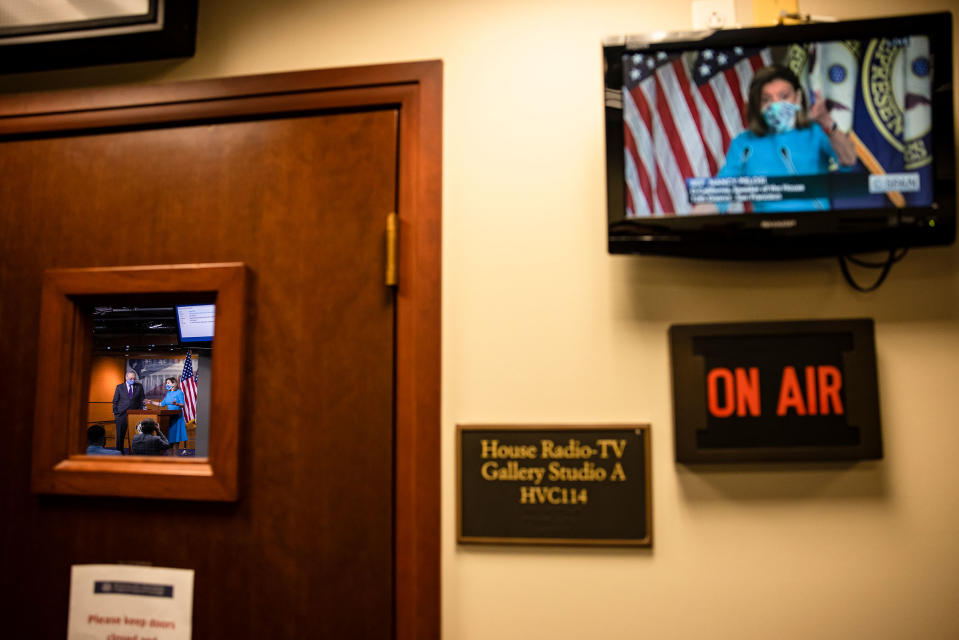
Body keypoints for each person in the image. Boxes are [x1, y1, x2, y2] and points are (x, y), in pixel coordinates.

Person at [716, 64, 857, 212]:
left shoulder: (815, 132)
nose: (776, 104)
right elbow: (719, 193)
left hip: (816, 227)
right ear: (758, 105)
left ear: (797, 98)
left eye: (784, 96)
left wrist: (827, 122)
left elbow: (848, 160)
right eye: (767, 99)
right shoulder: (743, 143)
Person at [148, 377, 188, 455]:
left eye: (168, 383)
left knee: (176, 437)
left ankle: (175, 454)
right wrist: (151, 402)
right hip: (168, 417)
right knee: (169, 436)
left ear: (174, 383)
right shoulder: (168, 393)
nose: (167, 384)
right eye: (166, 383)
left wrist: (176, 404)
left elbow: (183, 404)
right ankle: (170, 455)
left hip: (177, 417)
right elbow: (161, 404)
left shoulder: (179, 392)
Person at [112, 370, 145, 454]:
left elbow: (142, 400)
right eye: (131, 378)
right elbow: (115, 401)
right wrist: (116, 414)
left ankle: (134, 452)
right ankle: (119, 452)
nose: (132, 380)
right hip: (121, 415)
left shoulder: (139, 386)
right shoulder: (119, 387)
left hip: (135, 415)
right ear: (126, 377)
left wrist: (141, 412)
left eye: (134, 378)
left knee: (135, 435)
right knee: (120, 436)